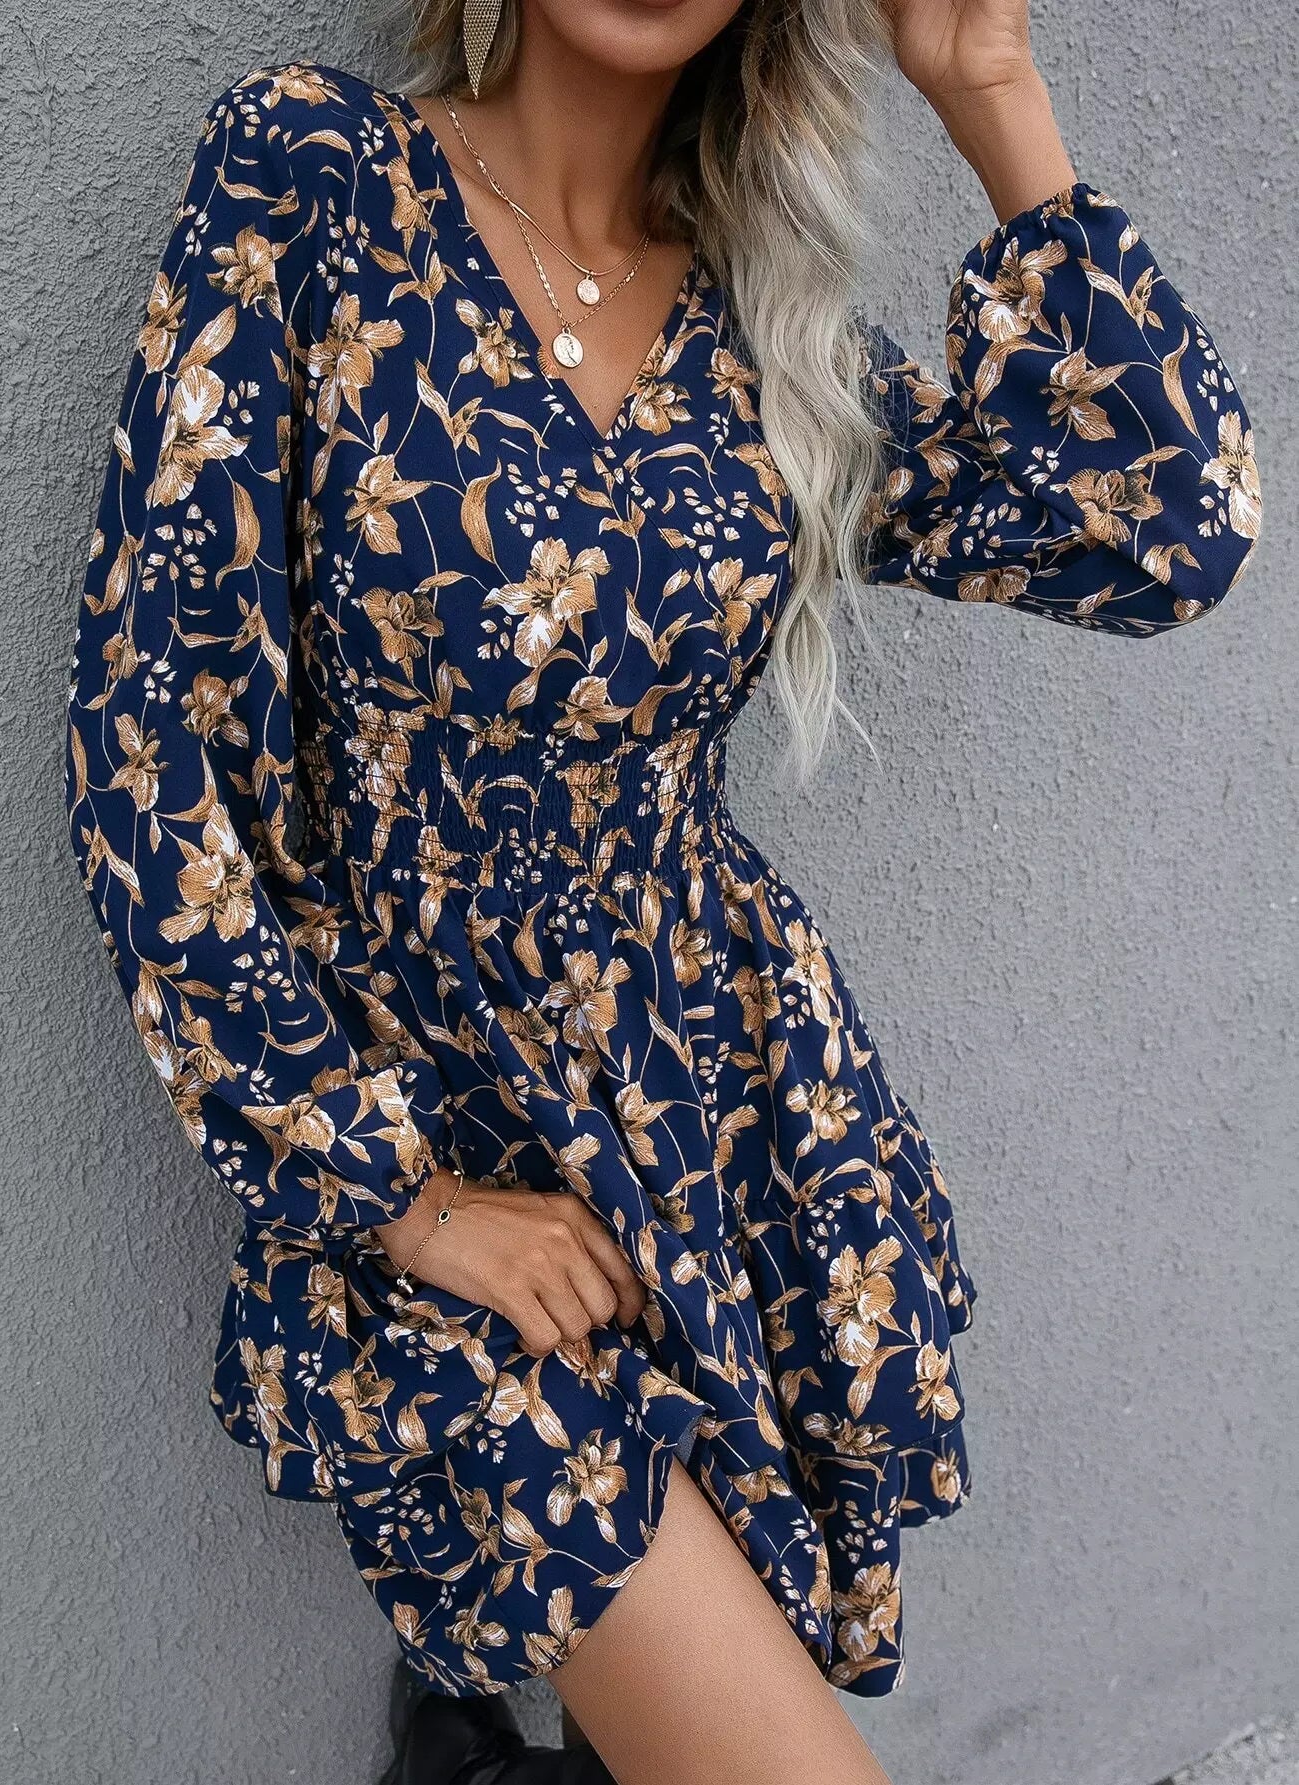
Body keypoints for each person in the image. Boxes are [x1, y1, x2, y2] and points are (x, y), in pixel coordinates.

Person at [61, 1, 1260, 1780]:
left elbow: (1165, 530)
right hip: (438, 1144)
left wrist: (991, 91)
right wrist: (403, 1198)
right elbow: (147, 738)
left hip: (725, 1134)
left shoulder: (766, 340)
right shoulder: (316, 174)